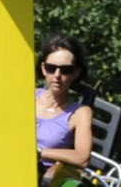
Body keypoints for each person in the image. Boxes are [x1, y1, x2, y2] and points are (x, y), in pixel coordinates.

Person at [35, 34, 94, 185]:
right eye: (51, 68)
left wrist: (40, 153)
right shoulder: (28, 98)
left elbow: (82, 158)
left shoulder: (80, 113)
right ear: (43, 69)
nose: (57, 75)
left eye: (66, 70)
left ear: (76, 72)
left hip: (47, 178)